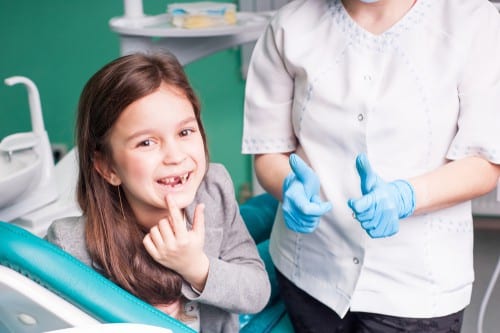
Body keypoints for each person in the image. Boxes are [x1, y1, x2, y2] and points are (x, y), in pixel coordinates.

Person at [242, 0, 500, 332]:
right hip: (309, 272)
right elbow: (268, 151)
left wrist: (407, 196)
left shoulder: (472, 21)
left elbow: (484, 163)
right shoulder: (290, 26)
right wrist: (287, 186)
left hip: (417, 285)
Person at [47, 52, 271, 332]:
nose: (175, 156)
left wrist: (196, 267)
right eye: (146, 143)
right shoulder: (69, 246)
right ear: (107, 167)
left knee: (274, 220)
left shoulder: (214, 188)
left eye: (185, 132)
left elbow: (257, 291)